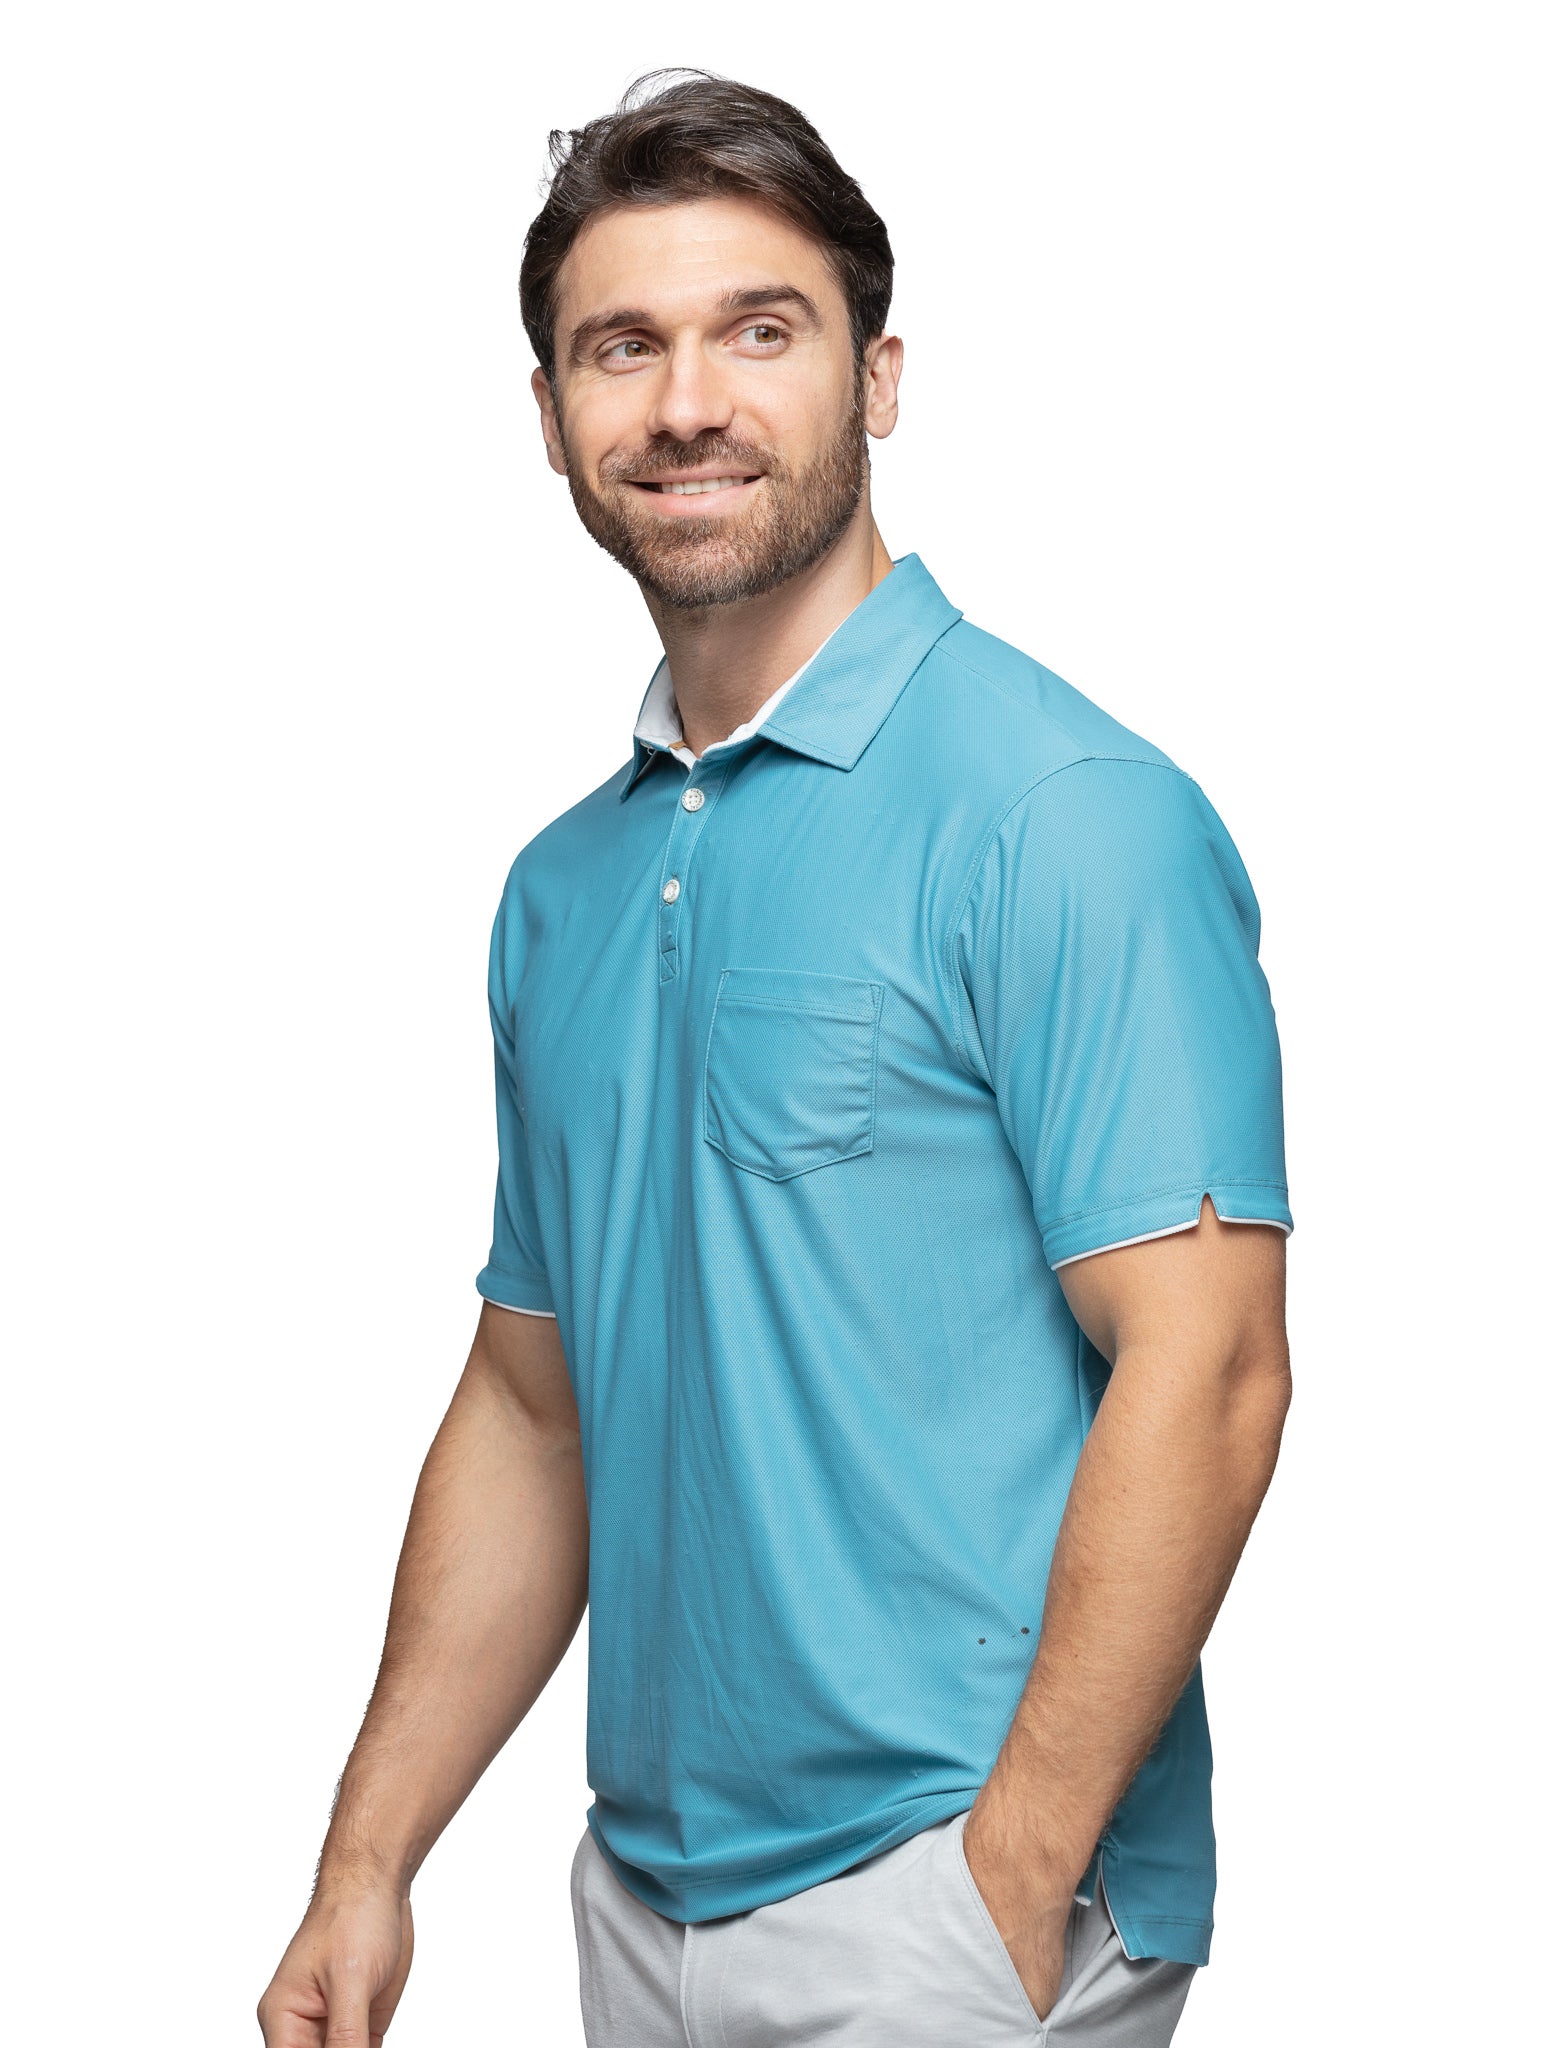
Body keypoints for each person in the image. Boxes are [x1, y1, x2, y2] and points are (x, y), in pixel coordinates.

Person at [258, 67, 1294, 2048]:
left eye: (760, 331)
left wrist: (1005, 1883)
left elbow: (1216, 1367)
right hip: (643, 1900)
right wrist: (368, 1860)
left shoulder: (1063, 813)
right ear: (550, 415)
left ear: (876, 379)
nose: (686, 403)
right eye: (621, 347)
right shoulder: (565, 887)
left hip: (944, 1897)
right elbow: (535, 1407)